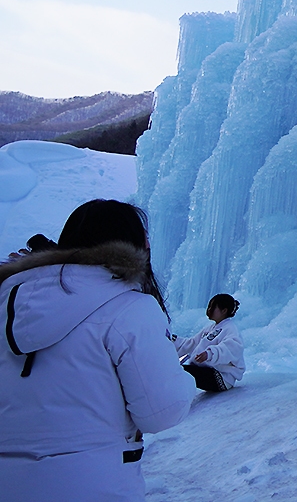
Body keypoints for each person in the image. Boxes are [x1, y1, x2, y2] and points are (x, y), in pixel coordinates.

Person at [0, 199, 194, 502]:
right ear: (133, 246)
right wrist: (186, 378)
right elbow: (162, 413)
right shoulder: (132, 308)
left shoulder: (6, 305)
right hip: (94, 484)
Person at [174, 293, 244, 392]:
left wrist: (210, 354)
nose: (209, 310)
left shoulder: (230, 328)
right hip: (209, 372)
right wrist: (173, 340)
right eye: (208, 306)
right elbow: (192, 343)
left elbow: (232, 348)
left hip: (222, 378)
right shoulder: (210, 329)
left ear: (224, 311)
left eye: (212, 307)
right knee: (176, 370)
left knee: (178, 372)